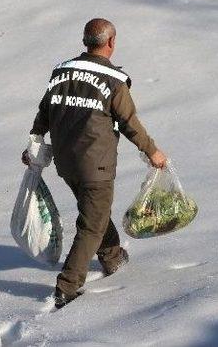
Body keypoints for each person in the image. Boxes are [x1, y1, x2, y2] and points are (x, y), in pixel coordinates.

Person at [22, 18, 168, 308]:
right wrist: (153, 152)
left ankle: (112, 257)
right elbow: (129, 123)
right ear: (111, 42)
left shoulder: (61, 72)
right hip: (95, 165)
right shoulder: (113, 81)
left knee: (94, 213)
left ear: (85, 41)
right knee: (91, 224)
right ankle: (67, 286)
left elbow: (44, 112)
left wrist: (35, 141)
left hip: (66, 162)